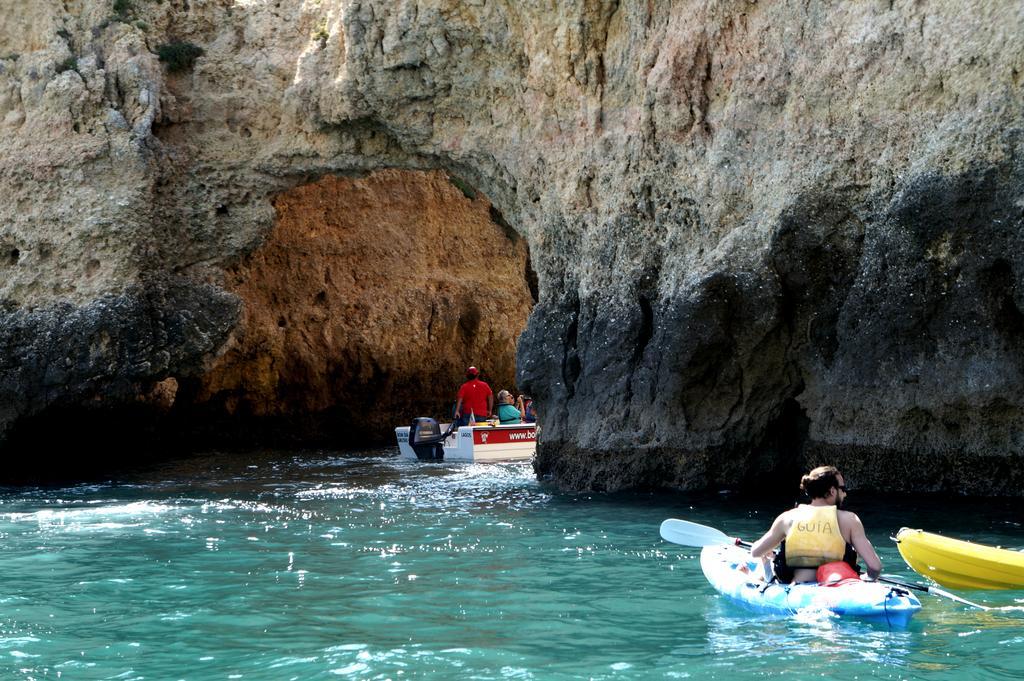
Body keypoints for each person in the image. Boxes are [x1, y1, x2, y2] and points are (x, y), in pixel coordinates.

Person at [749, 465, 882, 584]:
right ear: (832, 491)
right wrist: (866, 578)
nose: (845, 494)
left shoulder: (787, 518)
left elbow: (755, 552)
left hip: (798, 591)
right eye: (843, 488)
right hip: (838, 591)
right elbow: (875, 567)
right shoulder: (850, 520)